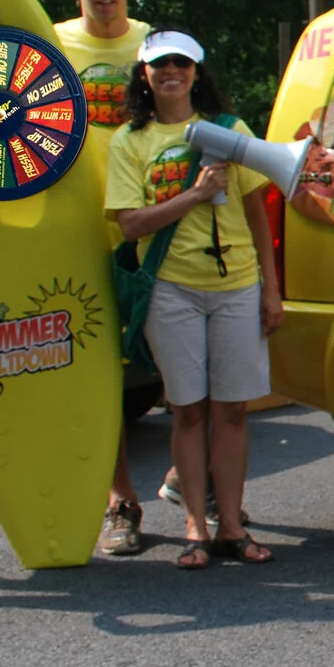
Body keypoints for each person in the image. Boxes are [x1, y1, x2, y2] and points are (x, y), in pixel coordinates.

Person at [105, 31, 285, 567]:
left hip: (236, 287)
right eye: (159, 65)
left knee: (231, 411)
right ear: (144, 75)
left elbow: (257, 213)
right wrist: (195, 195)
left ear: (196, 71)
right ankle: (194, 529)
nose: (171, 73)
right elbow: (130, 223)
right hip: (171, 289)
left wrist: (271, 291)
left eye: (181, 64)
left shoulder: (231, 131)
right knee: (187, 412)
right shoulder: (129, 141)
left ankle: (231, 525)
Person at [55, 0, 159, 556]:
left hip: (153, 222)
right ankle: (119, 500)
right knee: (99, 370)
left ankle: (193, 480)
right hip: (75, 226)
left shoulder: (154, 46)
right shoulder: (47, 43)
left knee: (179, 352)